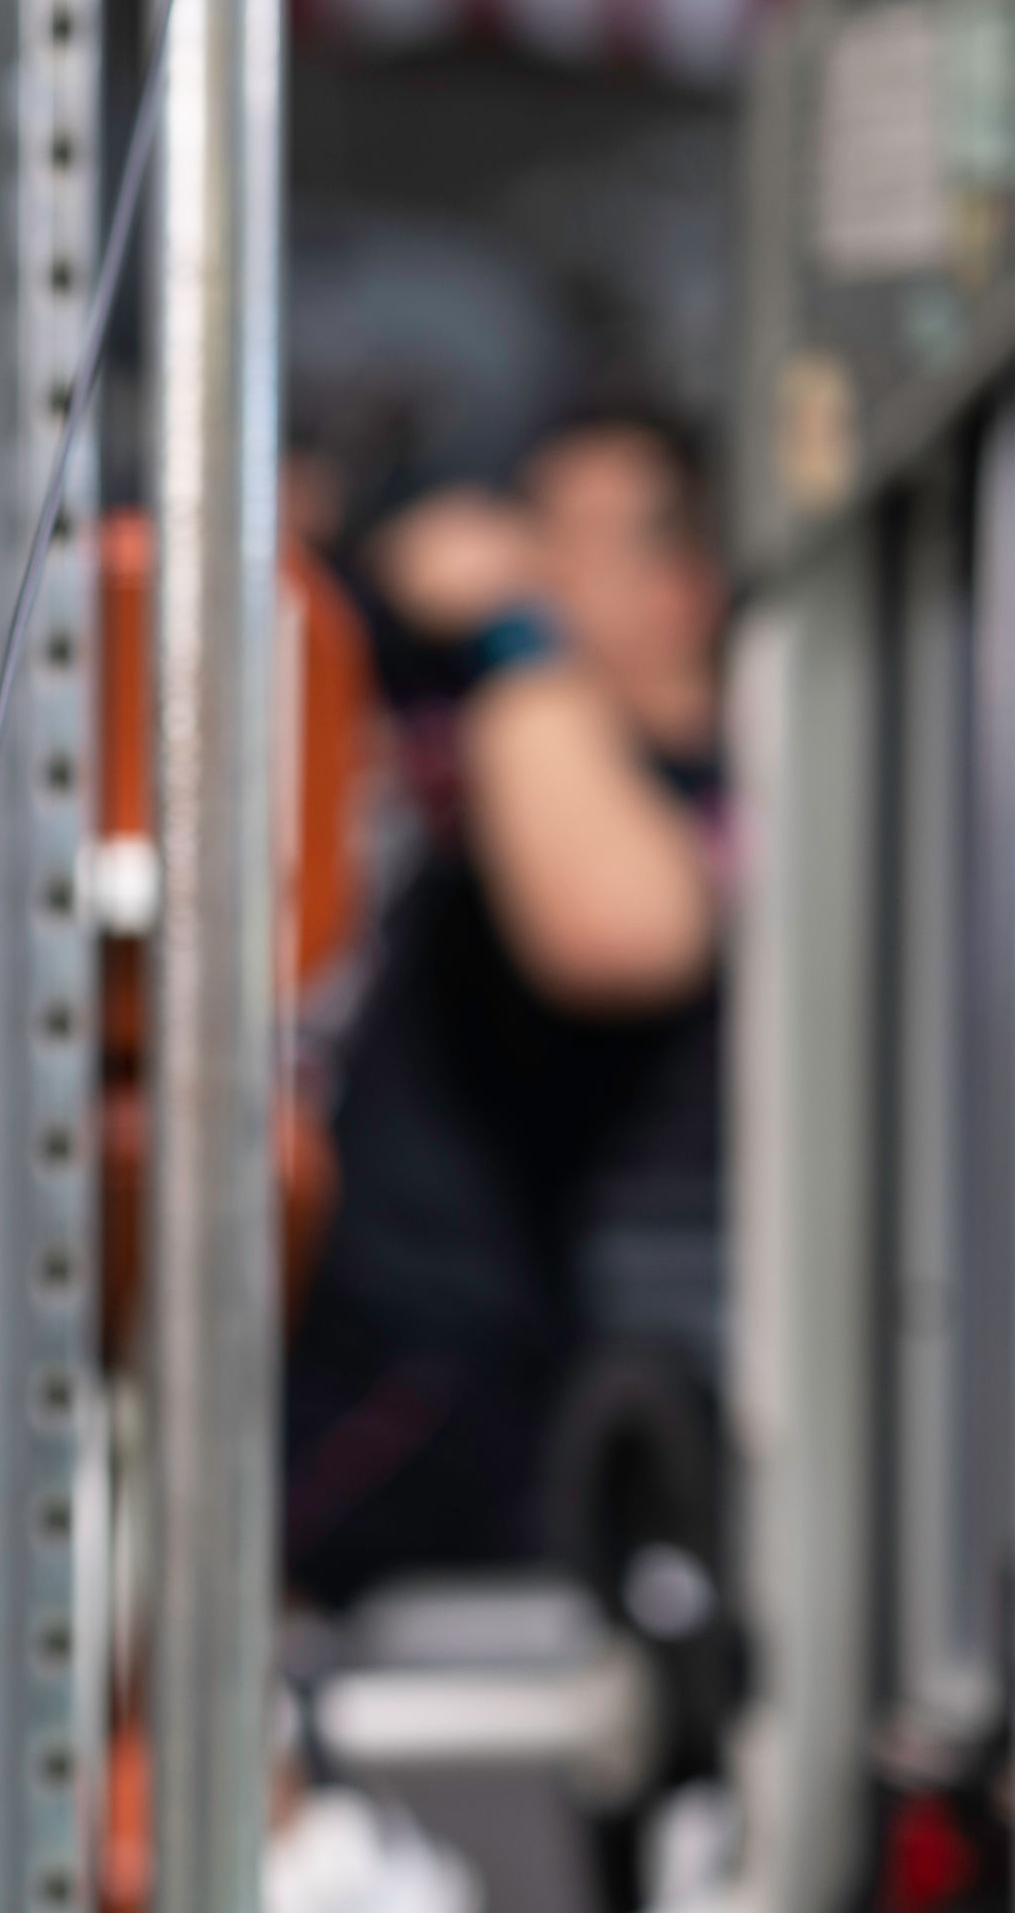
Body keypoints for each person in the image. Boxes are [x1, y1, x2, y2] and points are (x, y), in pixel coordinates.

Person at [283, 413, 729, 1604]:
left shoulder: (689, 786)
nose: (529, 561)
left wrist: (511, 627)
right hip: (367, 1352)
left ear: (683, 590)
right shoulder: (512, 726)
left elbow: (612, 935)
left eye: (570, 544)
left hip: (459, 1393)